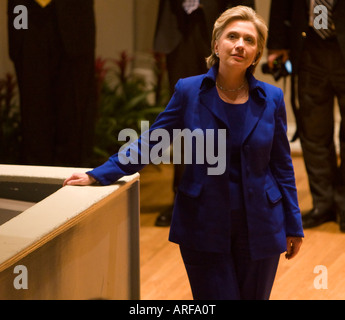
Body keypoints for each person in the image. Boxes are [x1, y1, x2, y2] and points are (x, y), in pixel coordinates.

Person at [64, 6, 304, 300]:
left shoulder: (272, 98)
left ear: (257, 54)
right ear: (216, 44)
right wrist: (98, 174)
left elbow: (281, 165)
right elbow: (151, 142)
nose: (240, 44)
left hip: (262, 227)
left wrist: (293, 224)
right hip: (203, 223)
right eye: (232, 36)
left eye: (249, 40)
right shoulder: (189, 91)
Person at [152, 0, 255, 226]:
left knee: (224, 110)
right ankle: (184, 195)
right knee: (183, 117)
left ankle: (225, 196)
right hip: (178, 27)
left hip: (223, 20)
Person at [267, 0, 345, 232]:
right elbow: (281, 5)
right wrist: (277, 44)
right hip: (309, 47)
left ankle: (344, 203)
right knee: (313, 132)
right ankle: (324, 204)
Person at [7, 0, 96, 167]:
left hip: (74, 16)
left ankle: (72, 182)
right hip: (24, 12)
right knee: (33, 113)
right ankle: (34, 184)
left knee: (73, 114)